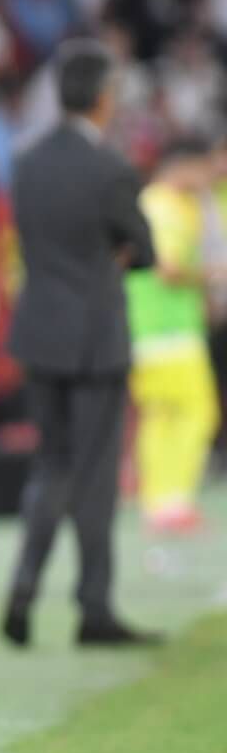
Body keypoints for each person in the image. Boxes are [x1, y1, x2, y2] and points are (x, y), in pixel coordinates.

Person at [3, 39, 161, 648]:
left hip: (39, 331)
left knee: (51, 466)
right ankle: (93, 609)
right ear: (103, 98)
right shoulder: (112, 169)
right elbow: (144, 252)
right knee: (94, 477)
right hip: (96, 338)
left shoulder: (26, 161)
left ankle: (22, 592)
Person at [125, 138, 223, 534]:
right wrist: (210, 277)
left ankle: (159, 503)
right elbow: (165, 268)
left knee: (160, 416)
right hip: (168, 330)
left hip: (148, 327)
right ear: (184, 166)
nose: (208, 179)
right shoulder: (165, 207)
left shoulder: (156, 202)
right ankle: (174, 499)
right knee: (199, 411)